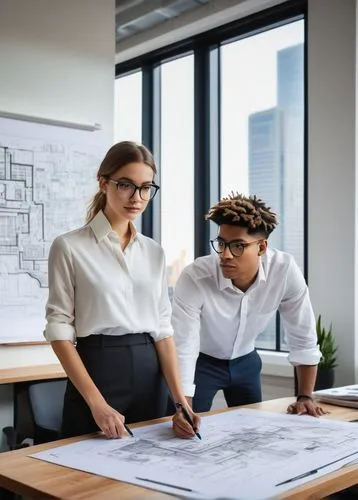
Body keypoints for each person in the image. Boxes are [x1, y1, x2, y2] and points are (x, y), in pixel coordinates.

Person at [44, 140, 200, 440]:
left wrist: (181, 401)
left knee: (151, 470)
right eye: (126, 185)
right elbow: (59, 330)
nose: (137, 197)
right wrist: (96, 403)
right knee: (86, 477)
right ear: (103, 182)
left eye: (146, 188)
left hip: (149, 372)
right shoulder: (69, 247)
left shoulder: (154, 252)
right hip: (98, 370)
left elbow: (163, 331)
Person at [172, 192, 324, 417]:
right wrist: (181, 407)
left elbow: (303, 335)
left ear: (261, 248)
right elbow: (183, 347)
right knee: (185, 428)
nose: (225, 255)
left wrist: (305, 396)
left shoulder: (284, 270)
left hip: (246, 362)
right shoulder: (195, 277)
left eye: (238, 246)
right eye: (221, 243)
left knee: (253, 430)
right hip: (201, 364)